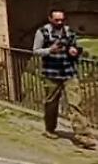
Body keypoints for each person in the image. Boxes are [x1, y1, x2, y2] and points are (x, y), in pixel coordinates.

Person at [32, 9, 96, 148]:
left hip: (69, 73)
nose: (60, 23)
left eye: (62, 20)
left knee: (75, 103)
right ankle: (50, 128)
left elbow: (76, 48)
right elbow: (36, 51)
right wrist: (49, 50)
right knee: (51, 103)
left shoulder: (69, 32)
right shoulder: (42, 32)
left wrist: (74, 51)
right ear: (50, 19)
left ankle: (82, 135)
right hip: (51, 74)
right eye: (57, 20)